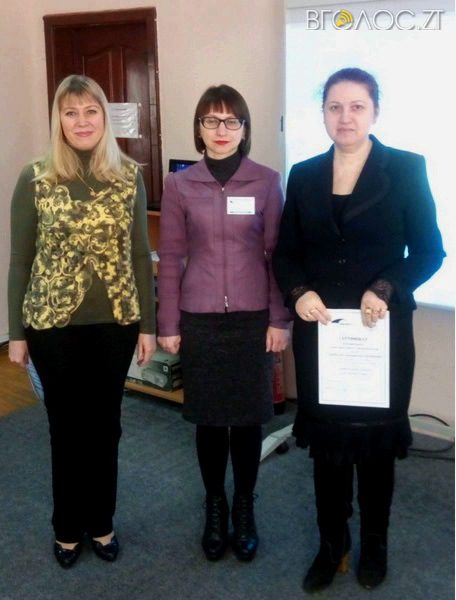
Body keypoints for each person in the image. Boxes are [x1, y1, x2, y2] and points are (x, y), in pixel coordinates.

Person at [272, 68, 445, 592]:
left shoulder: (406, 168)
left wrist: (386, 287)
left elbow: (430, 251)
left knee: (374, 448)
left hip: (380, 334)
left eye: (356, 106)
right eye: (334, 107)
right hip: (321, 332)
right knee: (327, 447)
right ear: (323, 113)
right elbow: (286, 253)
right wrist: (299, 292)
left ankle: (374, 542)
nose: (344, 117)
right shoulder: (304, 174)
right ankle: (332, 544)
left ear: (375, 112)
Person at [8, 74, 156, 568]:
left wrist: (148, 324)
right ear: (59, 120)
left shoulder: (128, 175)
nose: (81, 121)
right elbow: (20, 261)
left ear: (103, 117)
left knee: (105, 427)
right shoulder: (35, 177)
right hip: (51, 326)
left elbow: (140, 255)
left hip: (115, 323)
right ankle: (67, 528)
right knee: (66, 429)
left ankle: (102, 522)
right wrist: (15, 333)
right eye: (70, 112)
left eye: (90, 111)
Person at [157, 84, 290, 562]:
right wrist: (168, 322)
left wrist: (280, 318)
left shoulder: (266, 181)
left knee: (249, 419)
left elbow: (277, 257)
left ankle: (245, 506)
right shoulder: (179, 185)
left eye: (232, 121)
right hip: (200, 319)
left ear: (244, 128)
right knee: (210, 420)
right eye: (211, 120)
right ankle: (215, 504)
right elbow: (170, 257)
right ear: (199, 128)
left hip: (253, 319)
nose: (221, 130)